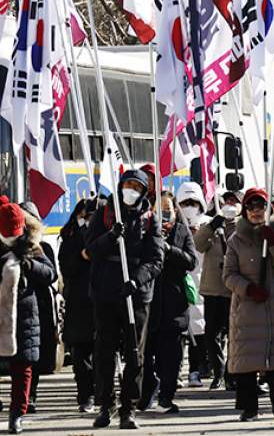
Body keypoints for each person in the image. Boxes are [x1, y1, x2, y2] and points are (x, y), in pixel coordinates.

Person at [86, 169, 164, 430]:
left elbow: (156, 260)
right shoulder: (106, 212)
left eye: (137, 187)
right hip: (106, 291)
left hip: (135, 295)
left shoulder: (149, 217)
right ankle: (105, 405)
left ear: (143, 191)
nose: (131, 190)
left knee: (134, 354)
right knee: (105, 351)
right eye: (127, 185)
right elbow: (89, 249)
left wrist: (136, 280)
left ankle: (128, 408)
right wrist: (110, 237)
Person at [223, 188, 274, 421]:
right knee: (247, 358)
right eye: (251, 207)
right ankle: (250, 407)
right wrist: (247, 288)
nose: (256, 212)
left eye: (261, 207)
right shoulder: (235, 240)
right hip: (248, 305)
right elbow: (228, 275)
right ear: (245, 211)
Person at [0, 198, 56, 434]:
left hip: (24, 314)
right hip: (1, 314)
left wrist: (29, 266)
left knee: (22, 368)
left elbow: (50, 274)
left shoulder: (33, 246)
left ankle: (17, 414)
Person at [139, 189, 197, 414]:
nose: (163, 214)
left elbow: (191, 260)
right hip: (149, 303)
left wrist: (170, 250)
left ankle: (166, 396)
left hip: (174, 305)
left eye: (168, 209)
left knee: (171, 358)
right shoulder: (145, 231)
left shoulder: (182, 232)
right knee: (146, 354)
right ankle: (147, 392)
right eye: (158, 209)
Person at [194, 191, 240, 390]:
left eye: (234, 201)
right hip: (212, 288)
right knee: (211, 334)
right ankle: (218, 371)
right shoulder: (211, 225)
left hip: (234, 289)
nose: (230, 204)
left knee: (233, 333)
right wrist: (213, 226)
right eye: (226, 201)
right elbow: (198, 244)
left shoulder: (242, 227)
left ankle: (232, 373)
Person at [58, 199, 96, 412]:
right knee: (81, 355)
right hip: (78, 304)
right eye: (84, 217)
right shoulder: (70, 239)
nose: (86, 221)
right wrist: (82, 254)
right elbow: (66, 268)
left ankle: (101, 392)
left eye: (90, 217)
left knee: (101, 354)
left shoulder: (104, 236)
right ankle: (85, 396)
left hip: (101, 301)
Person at [177, 184, 210, 388]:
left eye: (193, 203)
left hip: (203, 285)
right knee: (178, 333)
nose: (189, 207)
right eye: (185, 203)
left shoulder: (208, 225)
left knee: (199, 332)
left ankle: (195, 371)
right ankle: (176, 372)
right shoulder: (174, 226)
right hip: (180, 284)